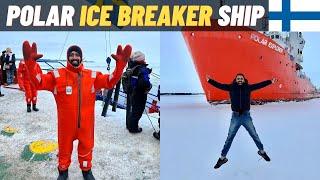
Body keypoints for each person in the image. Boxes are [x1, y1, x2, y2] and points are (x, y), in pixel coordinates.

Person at [22, 41, 131, 180]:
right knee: (64, 149)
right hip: (66, 125)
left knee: (86, 147)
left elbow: (110, 80)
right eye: (71, 55)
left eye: (77, 55)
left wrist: (120, 65)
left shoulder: (92, 76)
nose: (74, 57)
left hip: (86, 125)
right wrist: (30, 64)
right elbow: (38, 82)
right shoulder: (57, 75)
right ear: (68, 58)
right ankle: (63, 170)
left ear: (81, 58)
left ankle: (86, 170)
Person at [206, 73, 277, 169]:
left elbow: (259, 85)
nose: (239, 79)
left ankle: (262, 152)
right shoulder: (231, 87)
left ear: (244, 79)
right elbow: (220, 85)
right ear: (235, 80)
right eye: (238, 78)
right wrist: (210, 81)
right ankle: (222, 158)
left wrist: (270, 81)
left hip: (246, 116)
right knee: (229, 138)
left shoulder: (248, 87)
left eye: (241, 78)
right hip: (235, 117)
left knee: (254, 135)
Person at [125, 51, 152, 133]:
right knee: (138, 112)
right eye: (143, 59)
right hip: (140, 94)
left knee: (133, 110)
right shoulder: (142, 69)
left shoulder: (131, 68)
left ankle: (130, 125)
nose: (145, 60)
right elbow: (145, 83)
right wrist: (149, 86)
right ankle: (133, 128)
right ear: (141, 60)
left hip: (132, 92)